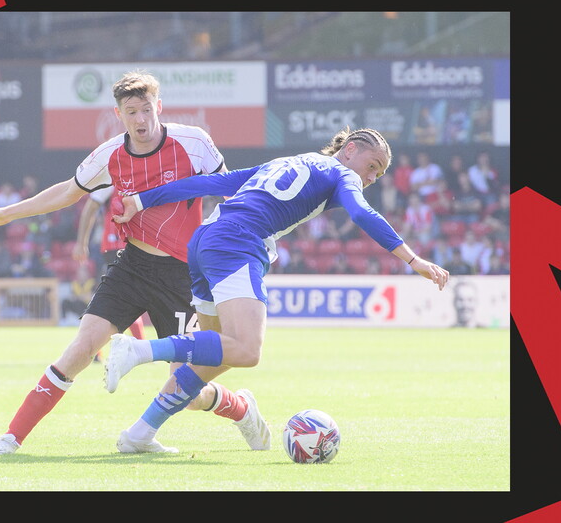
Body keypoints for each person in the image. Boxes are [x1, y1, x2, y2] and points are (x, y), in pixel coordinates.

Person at [0, 70, 270, 455]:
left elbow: (228, 192)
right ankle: (11, 438)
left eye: (146, 109)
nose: (140, 120)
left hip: (183, 275)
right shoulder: (109, 155)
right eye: (131, 112)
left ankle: (242, 410)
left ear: (158, 107)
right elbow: (67, 192)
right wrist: (7, 213)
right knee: (81, 349)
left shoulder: (194, 143)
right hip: (133, 266)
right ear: (118, 114)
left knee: (186, 392)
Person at [104, 127, 450, 449]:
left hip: (206, 240)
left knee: (214, 355)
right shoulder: (342, 172)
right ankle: (138, 351)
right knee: (247, 349)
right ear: (350, 150)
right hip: (237, 243)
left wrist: (143, 199)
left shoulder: (287, 162)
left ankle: (140, 434)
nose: (372, 177)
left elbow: (214, 183)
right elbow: (361, 214)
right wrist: (412, 259)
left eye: (380, 174)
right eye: (372, 166)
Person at [72, 185, 145, 340]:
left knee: (125, 298)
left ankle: (140, 346)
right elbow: (90, 208)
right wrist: (81, 243)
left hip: (138, 245)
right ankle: (92, 345)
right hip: (114, 247)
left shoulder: (143, 176)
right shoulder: (110, 180)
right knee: (118, 298)